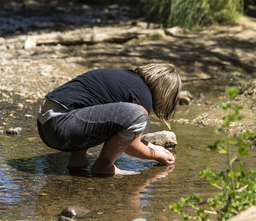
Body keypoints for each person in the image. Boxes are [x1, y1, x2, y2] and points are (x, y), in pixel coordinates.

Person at [36, 63, 182, 176]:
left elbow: (126, 135)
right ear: (165, 93)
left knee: (99, 105)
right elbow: (131, 147)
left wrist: (152, 146)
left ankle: (77, 159)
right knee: (137, 115)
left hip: (46, 124)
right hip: (61, 127)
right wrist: (156, 155)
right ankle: (104, 166)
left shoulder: (125, 79)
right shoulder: (143, 95)